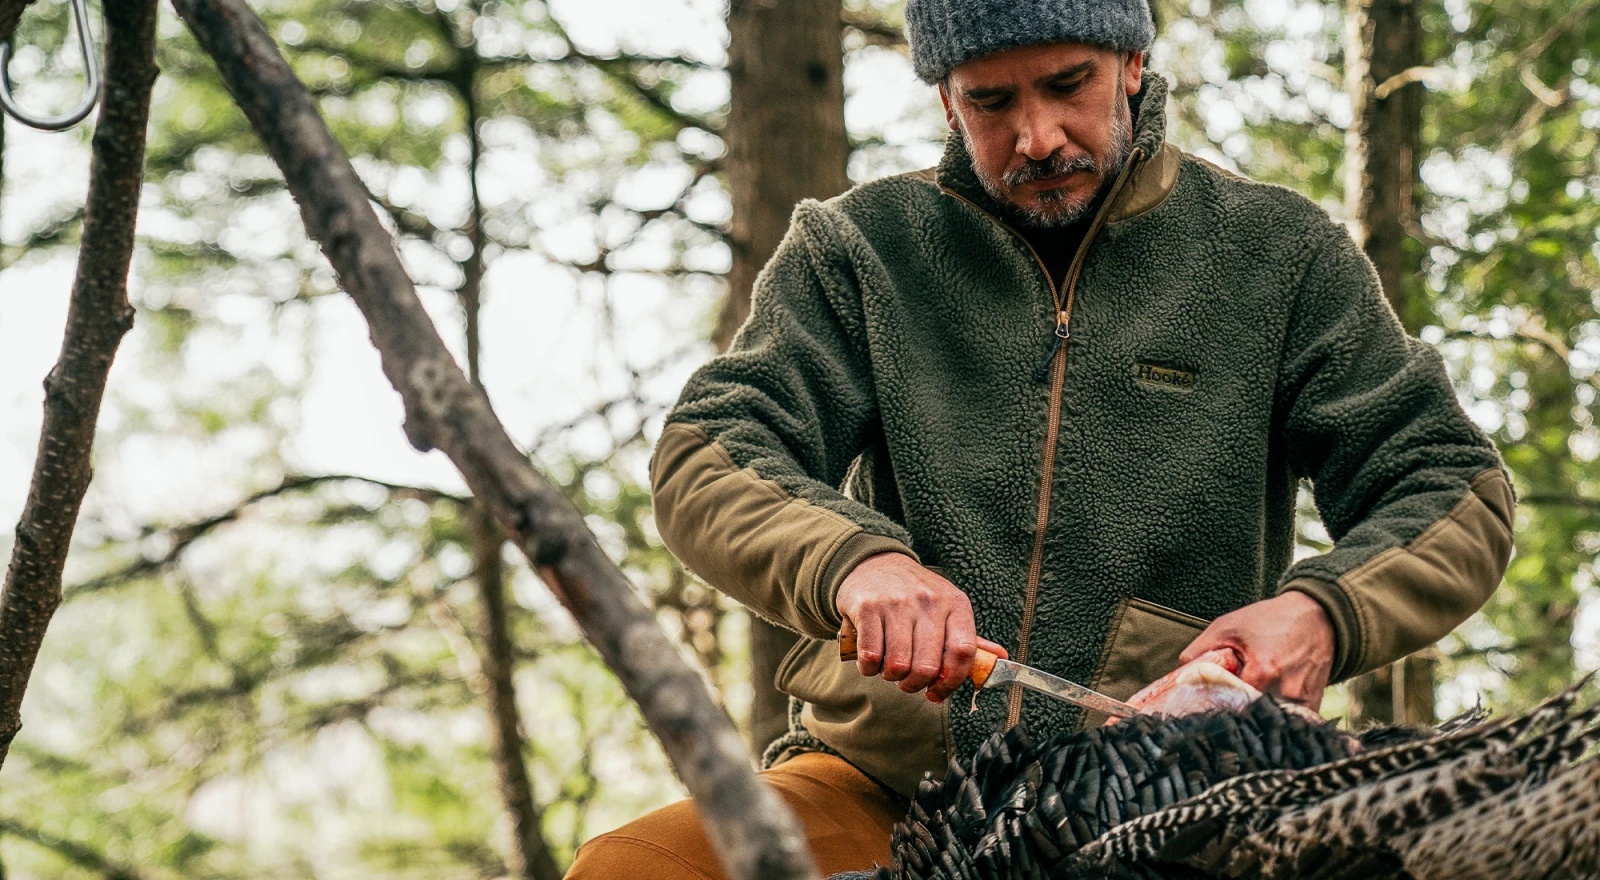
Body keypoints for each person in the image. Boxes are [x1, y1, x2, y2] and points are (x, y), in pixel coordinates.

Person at [566, 0, 1514, 876]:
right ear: (945, 97)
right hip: (882, 783)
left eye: (1068, 85)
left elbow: (1448, 486)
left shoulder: (1278, 255)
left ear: (1132, 62)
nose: (1037, 136)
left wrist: (1318, 614)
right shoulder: (860, 249)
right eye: (991, 100)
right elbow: (710, 450)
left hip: (1174, 796)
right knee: (632, 869)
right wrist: (856, 565)